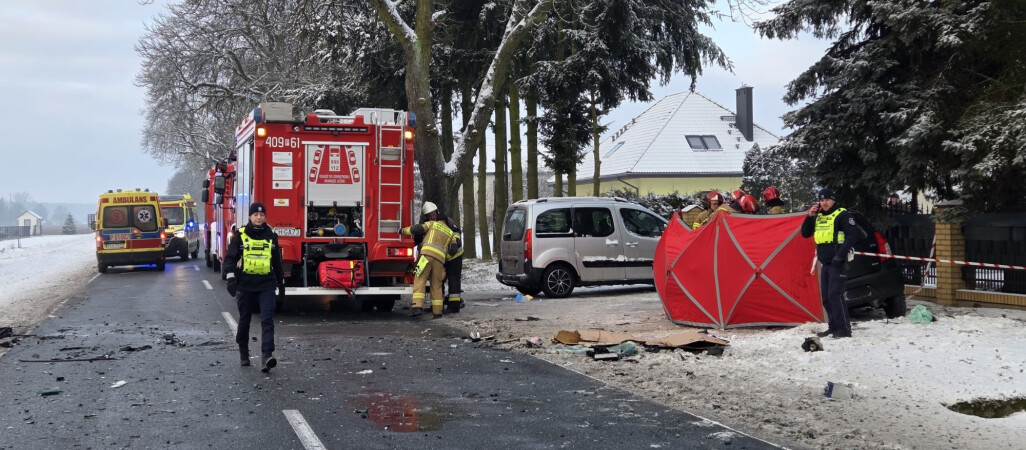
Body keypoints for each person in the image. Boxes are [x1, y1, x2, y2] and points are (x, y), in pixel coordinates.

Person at [223, 202, 286, 372]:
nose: (259, 218)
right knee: (245, 321)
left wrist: (281, 284)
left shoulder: (271, 235)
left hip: (266, 283)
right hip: (245, 285)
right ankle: (243, 351)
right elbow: (229, 259)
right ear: (250, 216)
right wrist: (230, 279)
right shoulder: (240, 235)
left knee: (267, 320)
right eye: (256, 215)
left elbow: (276, 262)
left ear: (265, 217)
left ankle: (267, 356)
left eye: (262, 215)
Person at [800, 188, 858, 338]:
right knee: (826, 297)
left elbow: (852, 236)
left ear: (833, 200)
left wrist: (840, 255)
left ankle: (844, 329)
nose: (824, 202)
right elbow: (805, 233)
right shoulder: (818, 216)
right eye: (822, 200)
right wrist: (810, 216)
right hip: (825, 262)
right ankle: (833, 327)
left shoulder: (843, 215)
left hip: (838, 262)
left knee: (835, 295)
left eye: (827, 199)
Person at [401, 202, 456, 318]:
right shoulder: (451, 233)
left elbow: (416, 229)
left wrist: (402, 231)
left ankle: (417, 307)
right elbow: (453, 250)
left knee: (419, 279)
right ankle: (437, 312)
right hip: (440, 261)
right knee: (437, 285)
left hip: (425, 257)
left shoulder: (431, 224)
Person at [422, 205, 465, 314]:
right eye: (430, 215)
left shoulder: (446, 220)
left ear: (437, 212)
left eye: (433, 214)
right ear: (426, 217)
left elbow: (456, 231)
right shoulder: (428, 225)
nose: (432, 216)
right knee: (437, 280)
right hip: (440, 257)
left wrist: (455, 242)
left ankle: (454, 306)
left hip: (454, 256)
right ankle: (437, 305)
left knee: (453, 279)